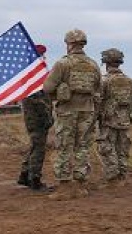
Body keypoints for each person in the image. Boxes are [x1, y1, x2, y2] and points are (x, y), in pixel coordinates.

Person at [43, 29, 102, 200]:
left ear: (68, 44)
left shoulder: (63, 64)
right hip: (87, 110)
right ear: (83, 44)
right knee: (82, 146)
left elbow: (47, 87)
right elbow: (99, 87)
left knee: (64, 146)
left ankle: (64, 187)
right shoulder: (93, 64)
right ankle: (81, 186)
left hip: (67, 111)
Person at [97, 48, 132, 185]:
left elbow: (98, 99)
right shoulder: (130, 81)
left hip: (108, 121)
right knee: (122, 149)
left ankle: (113, 178)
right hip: (125, 121)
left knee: (106, 148)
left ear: (106, 63)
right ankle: (122, 175)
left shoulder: (104, 81)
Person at [17, 44, 54, 191]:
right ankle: (35, 180)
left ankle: (25, 175)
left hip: (32, 117)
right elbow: (38, 101)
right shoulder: (35, 76)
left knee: (34, 146)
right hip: (38, 119)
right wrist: (48, 118)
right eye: (42, 56)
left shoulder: (29, 75)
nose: (45, 58)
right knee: (38, 149)